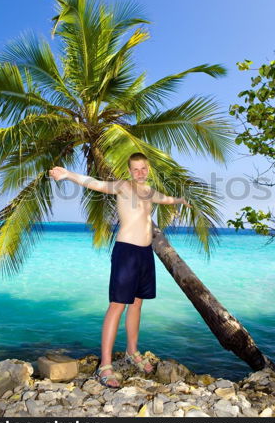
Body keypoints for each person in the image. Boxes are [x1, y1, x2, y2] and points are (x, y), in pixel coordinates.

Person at [49, 152, 192, 388]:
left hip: (146, 253)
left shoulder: (149, 192)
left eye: (143, 168)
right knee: (117, 305)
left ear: (148, 169)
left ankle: (132, 352)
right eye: (135, 169)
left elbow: (165, 199)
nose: (139, 172)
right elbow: (94, 183)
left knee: (137, 303)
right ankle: (105, 365)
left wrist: (180, 201)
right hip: (126, 252)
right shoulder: (123, 186)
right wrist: (67, 175)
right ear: (129, 171)